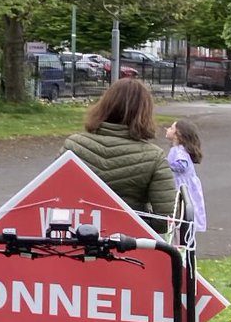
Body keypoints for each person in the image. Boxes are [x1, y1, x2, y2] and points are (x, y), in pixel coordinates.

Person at [63, 77, 176, 231]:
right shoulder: (154, 157)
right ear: (144, 113)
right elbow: (165, 220)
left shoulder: (73, 146)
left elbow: (52, 197)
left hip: (78, 240)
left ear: (104, 105)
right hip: (128, 243)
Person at [165, 119, 207, 232]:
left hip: (183, 189)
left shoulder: (178, 151)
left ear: (177, 135)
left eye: (171, 128)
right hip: (184, 187)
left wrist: (164, 164)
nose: (167, 129)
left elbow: (182, 165)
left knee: (184, 219)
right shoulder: (178, 150)